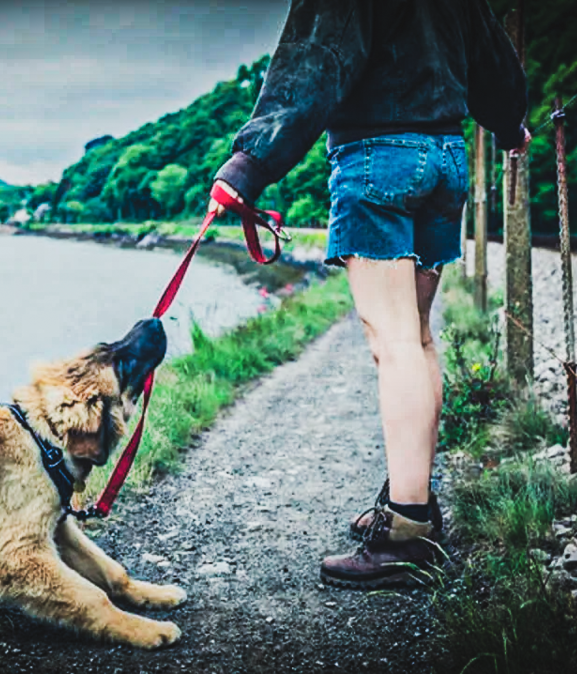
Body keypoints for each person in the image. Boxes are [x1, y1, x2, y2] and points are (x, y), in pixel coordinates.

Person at [209, 0, 529, 588]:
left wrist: (249, 165)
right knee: (419, 337)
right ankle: (415, 504)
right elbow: (491, 57)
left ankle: (407, 532)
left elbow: (316, 60)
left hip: (378, 159)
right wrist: (511, 123)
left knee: (395, 342)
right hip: (446, 159)